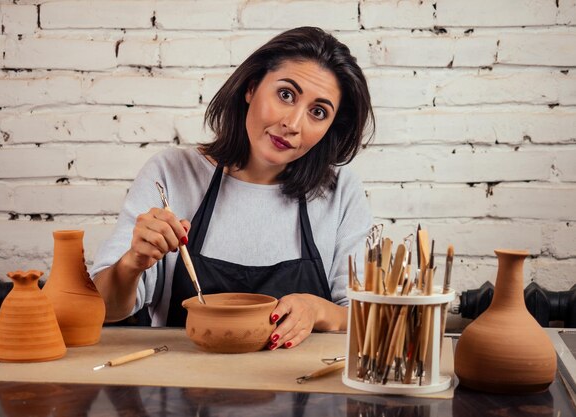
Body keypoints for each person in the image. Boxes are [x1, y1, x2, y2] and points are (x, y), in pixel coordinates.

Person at [91, 26, 375, 350]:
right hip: (178, 392)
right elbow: (104, 311)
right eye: (286, 95)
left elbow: (367, 318)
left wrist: (318, 310)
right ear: (251, 88)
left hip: (301, 392)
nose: (293, 124)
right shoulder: (172, 174)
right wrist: (132, 262)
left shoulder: (340, 192)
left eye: (318, 112)